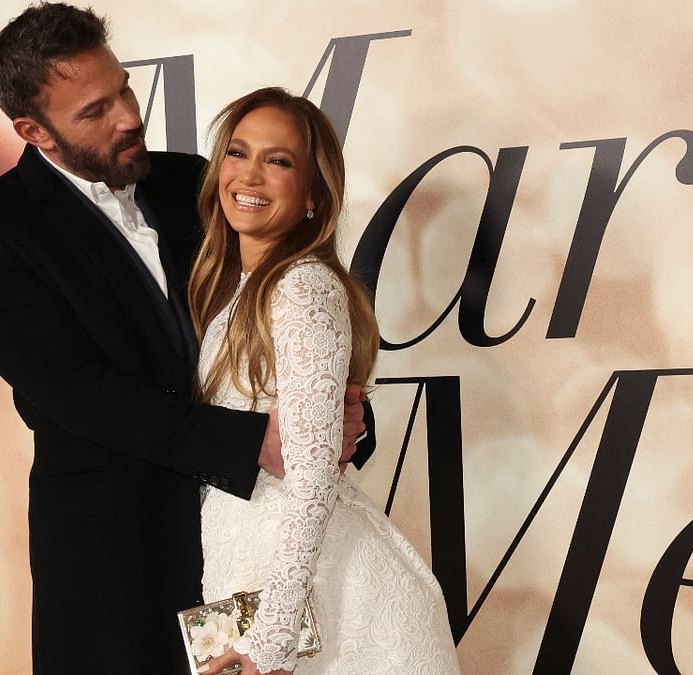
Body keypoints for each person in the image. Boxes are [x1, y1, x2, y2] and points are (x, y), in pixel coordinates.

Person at [0, 4, 371, 673]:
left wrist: (338, 418)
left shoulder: (192, 181)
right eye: (93, 112)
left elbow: (288, 312)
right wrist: (255, 442)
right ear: (32, 130)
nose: (128, 118)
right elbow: (75, 391)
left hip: (241, 543)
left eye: (123, 91)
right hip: (112, 559)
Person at [193, 88, 460, 675]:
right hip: (259, 587)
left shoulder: (303, 287)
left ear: (313, 195)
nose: (250, 175)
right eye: (238, 153)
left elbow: (312, 477)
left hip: (322, 614)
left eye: (279, 160)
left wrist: (271, 638)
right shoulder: (235, 292)